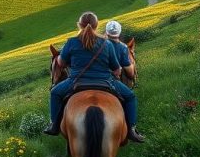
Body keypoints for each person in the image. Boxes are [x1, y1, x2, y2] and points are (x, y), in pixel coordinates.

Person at [44, 12, 144, 143]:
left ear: (79, 25)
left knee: (55, 92)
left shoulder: (71, 42)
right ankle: (131, 130)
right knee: (130, 96)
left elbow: (61, 63)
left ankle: (54, 125)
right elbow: (117, 69)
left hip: (76, 81)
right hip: (106, 82)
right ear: (97, 25)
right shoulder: (106, 44)